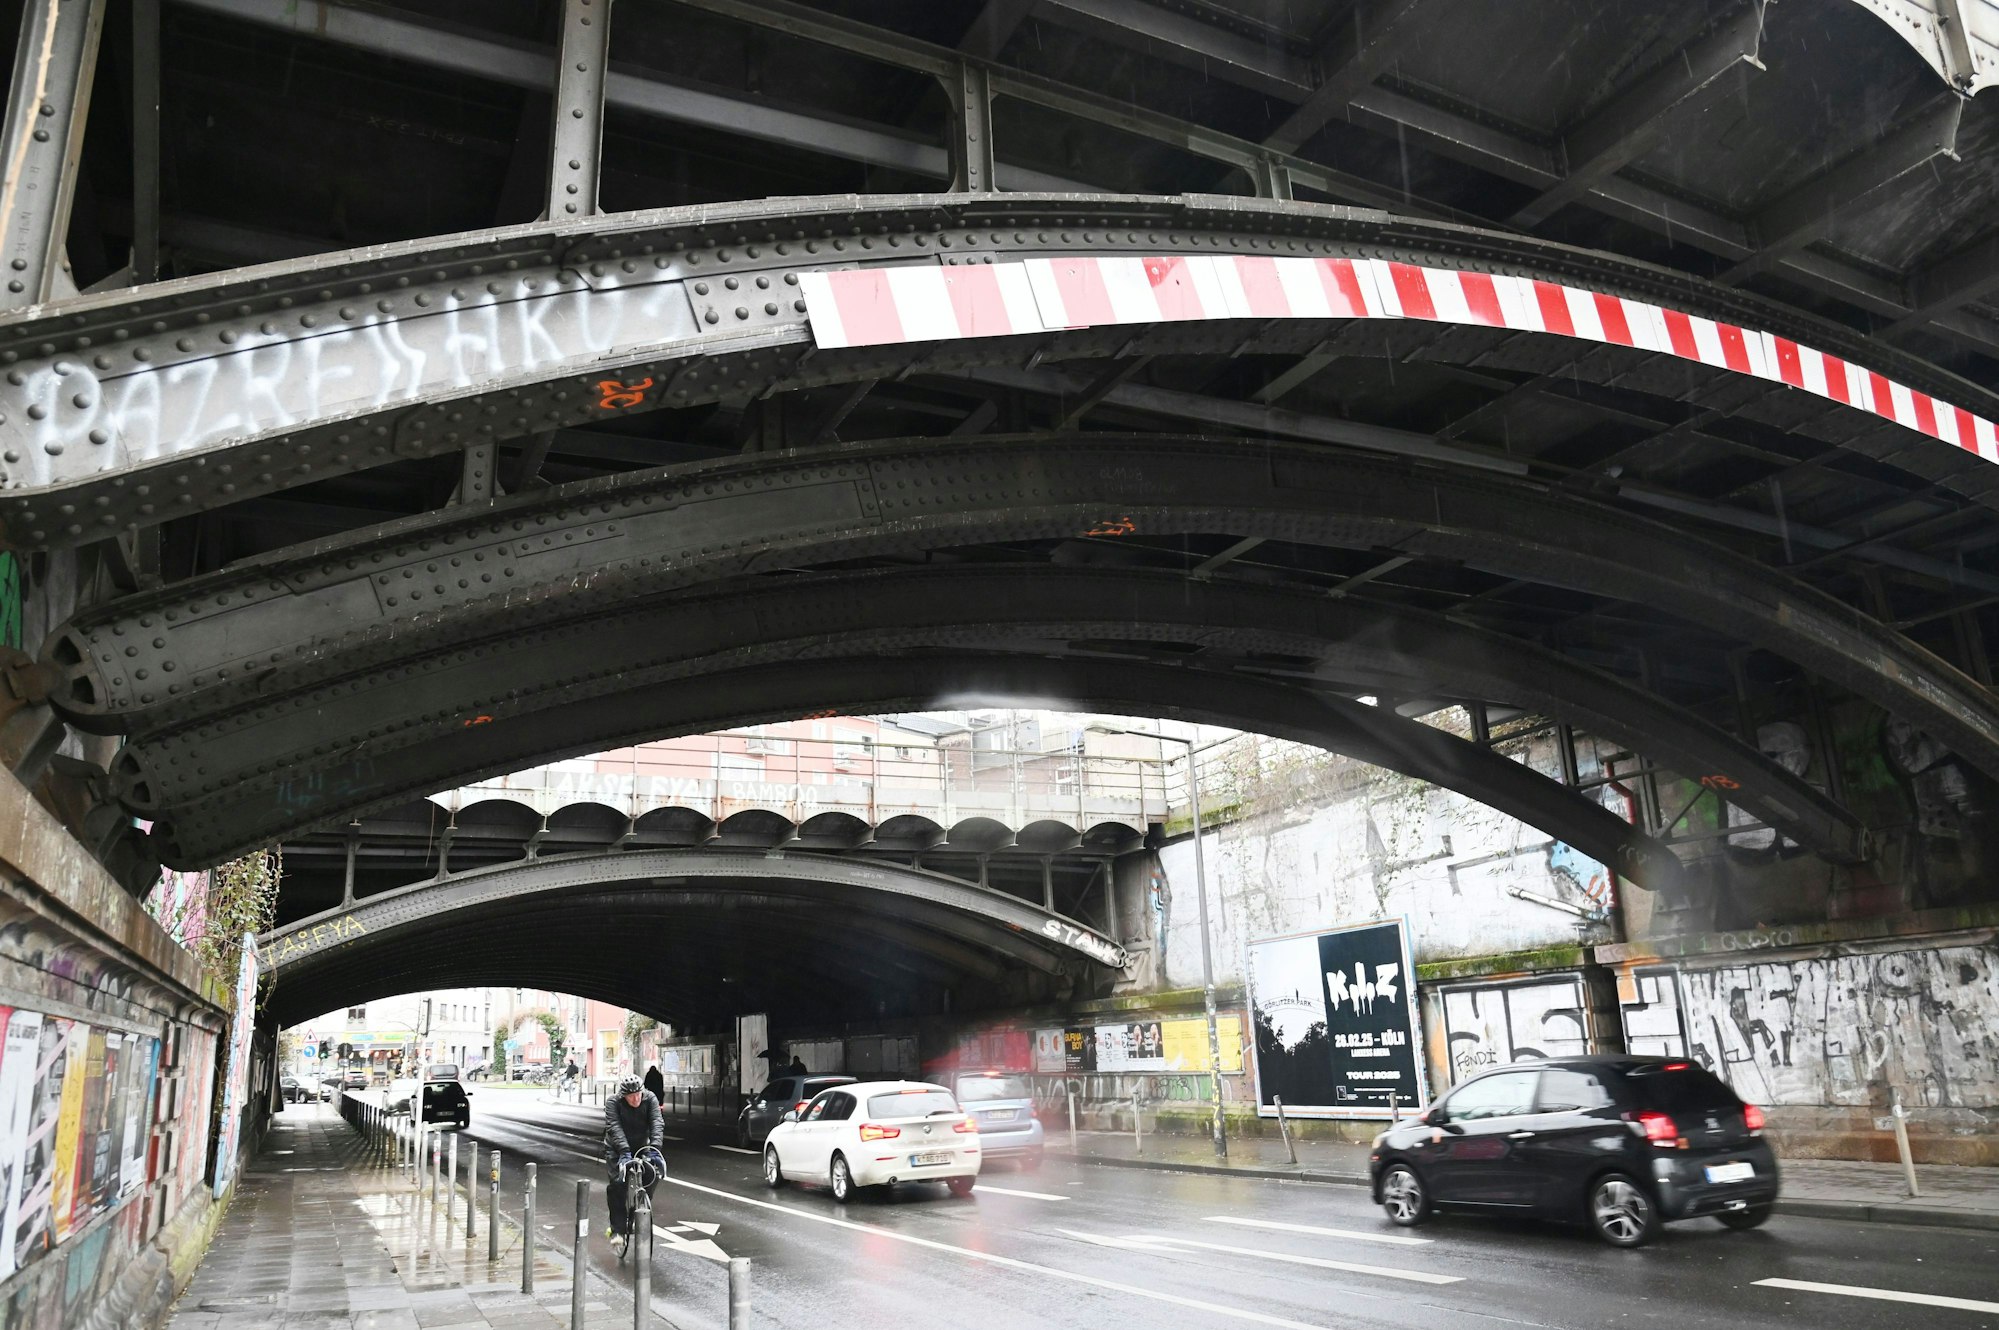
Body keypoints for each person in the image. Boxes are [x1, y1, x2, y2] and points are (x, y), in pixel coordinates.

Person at [602, 1073, 665, 1253]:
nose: (636, 1099)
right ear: (623, 1096)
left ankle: (641, 1205)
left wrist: (655, 1148)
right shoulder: (613, 1103)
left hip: (642, 1145)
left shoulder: (650, 1098)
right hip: (617, 1148)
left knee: (652, 1173)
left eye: (638, 1094)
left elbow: (657, 1123)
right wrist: (624, 1152)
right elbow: (614, 1127)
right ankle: (618, 1231)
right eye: (631, 1096)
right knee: (617, 1185)